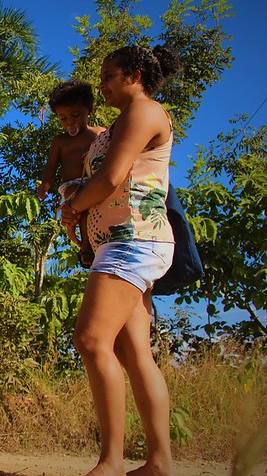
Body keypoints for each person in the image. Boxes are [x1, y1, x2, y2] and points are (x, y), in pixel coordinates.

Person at [60, 44, 182, 476]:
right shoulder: (119, 122)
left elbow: (111, 177)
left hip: (133, 240)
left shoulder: (144, 111)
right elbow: (102, 176)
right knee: (133, 352)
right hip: (122, 242)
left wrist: (74, 204)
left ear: (134, 75)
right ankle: (159, 463)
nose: (102, 85)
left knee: (91, 340)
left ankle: (111, 461)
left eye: (109, 76)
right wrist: (77, 202)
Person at [37, 80, 105, 268]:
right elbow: (51, 165)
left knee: (93, 204)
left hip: (93, 182)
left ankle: (97, 241)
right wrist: (45, 184)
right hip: (71, 186)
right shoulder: (60, 141)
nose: (70, 122)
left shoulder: (100, 134)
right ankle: (86, 246)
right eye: (63, 119)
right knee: (79, 203)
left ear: (89, 111)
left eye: (75, 115)